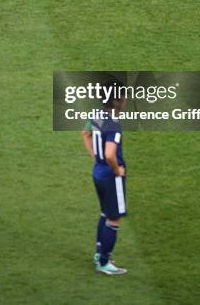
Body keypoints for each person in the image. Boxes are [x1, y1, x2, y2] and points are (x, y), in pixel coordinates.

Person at [81, 84, 128, 275]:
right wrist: (118, 170)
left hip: (98, 171)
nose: (125, 100)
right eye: (123, 97)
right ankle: (104, 261)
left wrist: (94, 155)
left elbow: (85, 133)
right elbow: (110, 153)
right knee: (114, 218)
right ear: (116, 100)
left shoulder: (97, 115)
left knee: (104, 212)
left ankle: (99, 253)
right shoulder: (114, 124)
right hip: (110, 175)